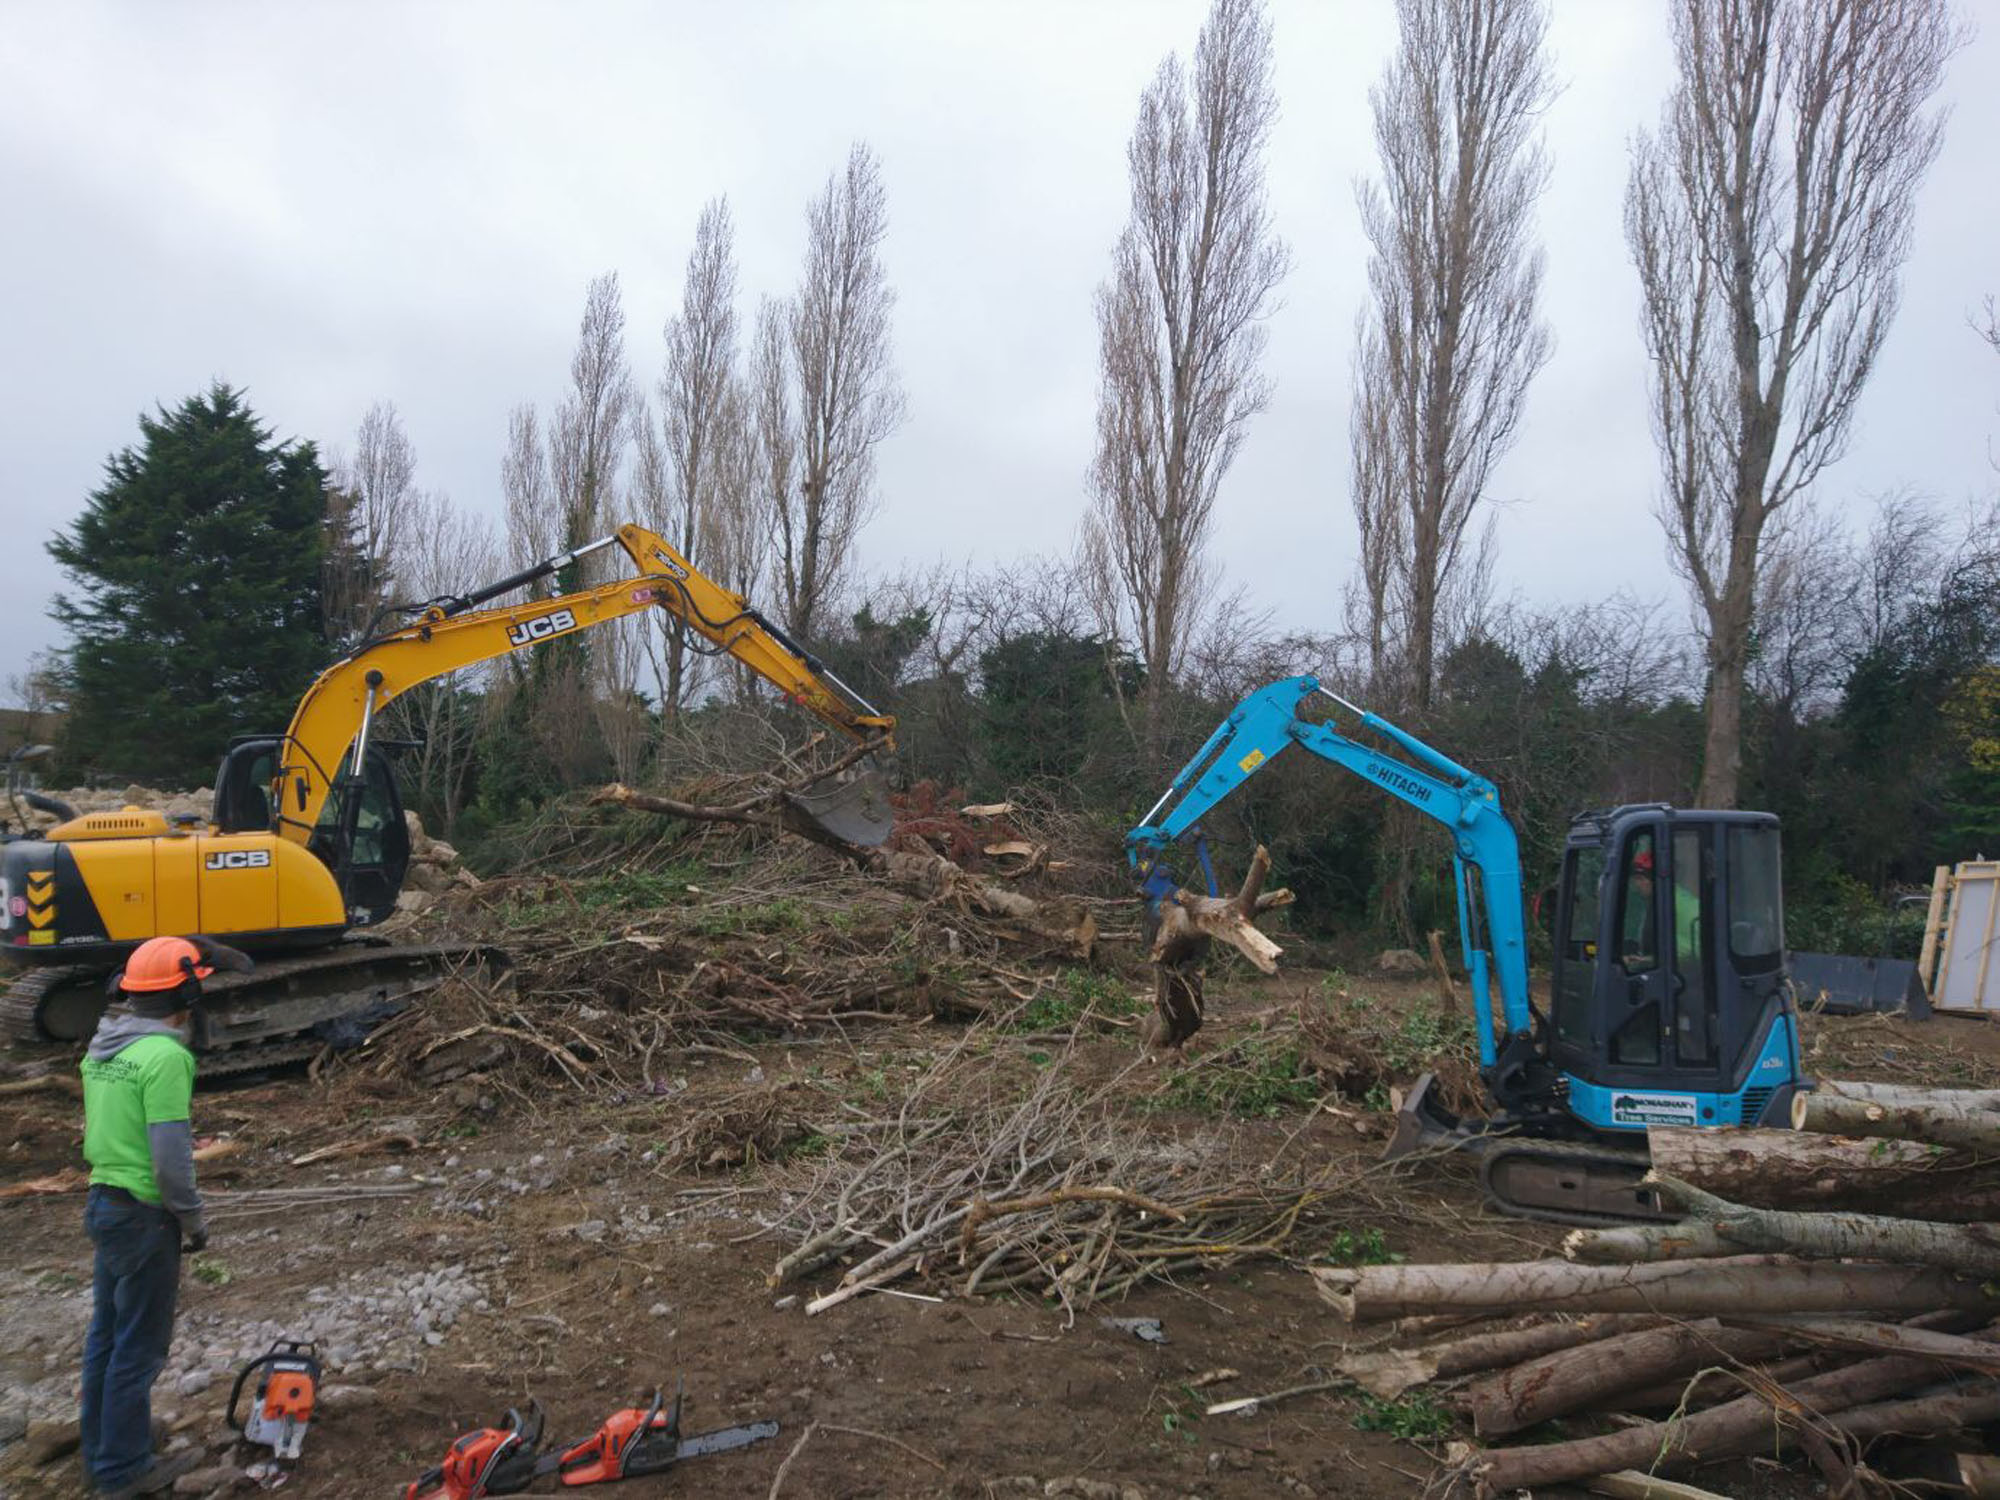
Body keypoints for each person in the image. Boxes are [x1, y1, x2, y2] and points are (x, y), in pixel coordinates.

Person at [77, 935, 249, 1498]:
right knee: (140, 1346)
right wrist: (194, 1220)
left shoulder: (103, 1047)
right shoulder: (167, 1057)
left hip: (104, 1201)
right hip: (146, 1214)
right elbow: (171, 1160)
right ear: (188, 992)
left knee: (106, 1335)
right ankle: (123, 1471)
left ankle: (102, 1447)